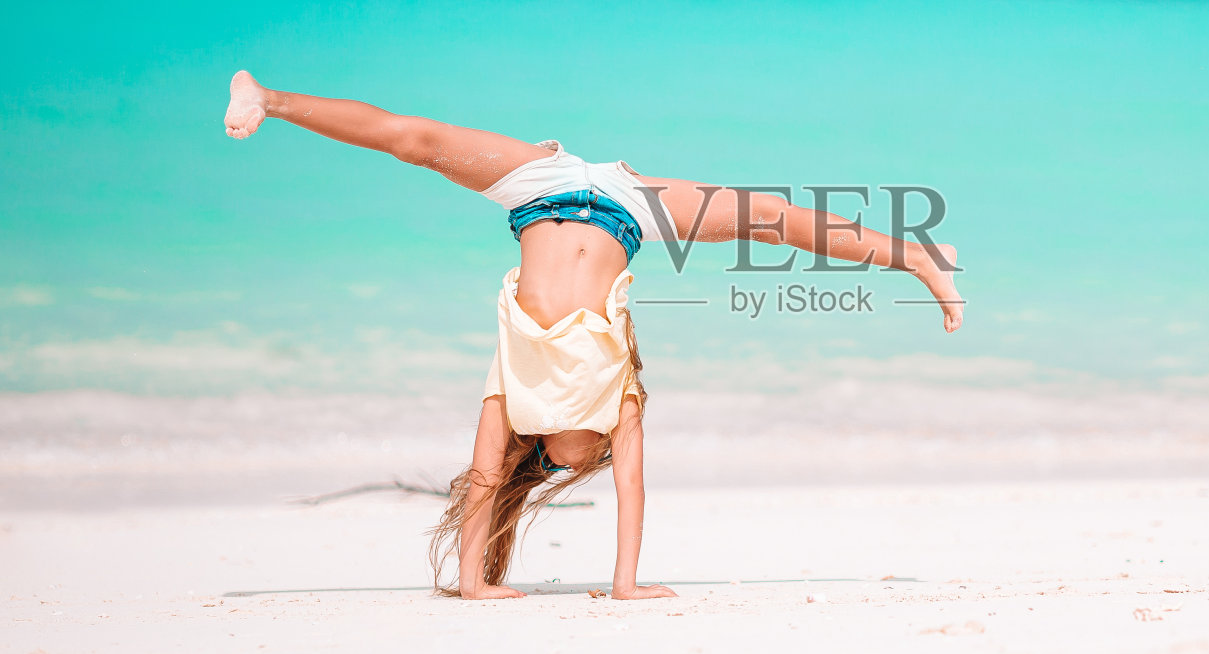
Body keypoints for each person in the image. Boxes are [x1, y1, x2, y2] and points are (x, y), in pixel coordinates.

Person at [223, 71, 963, 600]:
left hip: (539, 187)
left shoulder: (514, 394)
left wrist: (474, 581)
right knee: (768, 217)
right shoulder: (618, 404)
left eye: (560, 463)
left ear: (544, 449)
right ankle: (270, 98)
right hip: (628, 206)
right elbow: (633, 489)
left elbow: (485, 477)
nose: (581, 460)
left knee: (416, 140)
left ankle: (917, 255)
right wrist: (625, 584)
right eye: (592, 461)